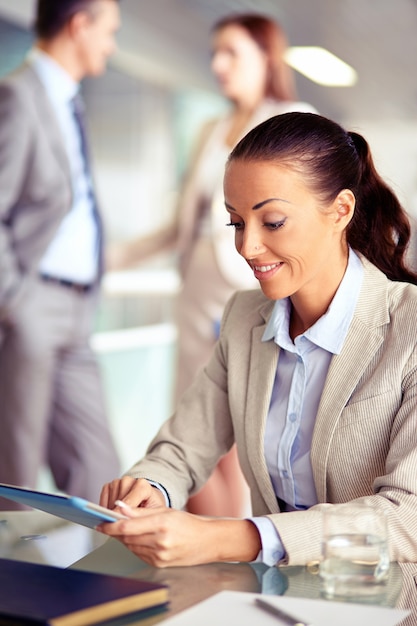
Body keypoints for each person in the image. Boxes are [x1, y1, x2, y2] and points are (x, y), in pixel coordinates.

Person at [98, 111, 417, 568]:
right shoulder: (244, 318)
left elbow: (409, 518)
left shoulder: (409, 327)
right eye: (236, 223)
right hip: (277, 600)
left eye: (272, 222)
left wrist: (234, 538)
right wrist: (151, 485)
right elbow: (184, 447)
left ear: (340, 211)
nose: (247, 248)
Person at [107, 13, 317, 518]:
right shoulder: (210, 129)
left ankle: (233, 545)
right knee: (197, 432)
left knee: (241, 431)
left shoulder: (292, 118)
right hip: (195, 291)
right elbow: (181, 225)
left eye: (232, 53)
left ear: (266, 58)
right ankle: (212, 553)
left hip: (252, 284)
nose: (219, 66)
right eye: (214, 55)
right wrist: (107, 258)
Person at [0, 0, 121, 508]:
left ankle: (97, 586)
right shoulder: (17, 96)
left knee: (99, 469)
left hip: (77, 309)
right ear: (79, 25)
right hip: (31, 304)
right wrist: (14, 301)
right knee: (17, 470)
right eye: (108, 32)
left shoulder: (69, 100)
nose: (111, 46)